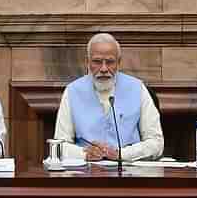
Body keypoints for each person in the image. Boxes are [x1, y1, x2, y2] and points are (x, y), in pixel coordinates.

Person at [53, 33, 163, 161]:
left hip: (129, 173)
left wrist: (122, 154)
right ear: (87, 62)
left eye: (110, 62)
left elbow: (156, 143)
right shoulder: (72, 91)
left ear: (119, 63)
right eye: (97, 62)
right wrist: (85, 154)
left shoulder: (138, 88)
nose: (104, 68)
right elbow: (59, 146)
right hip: (85, 173)